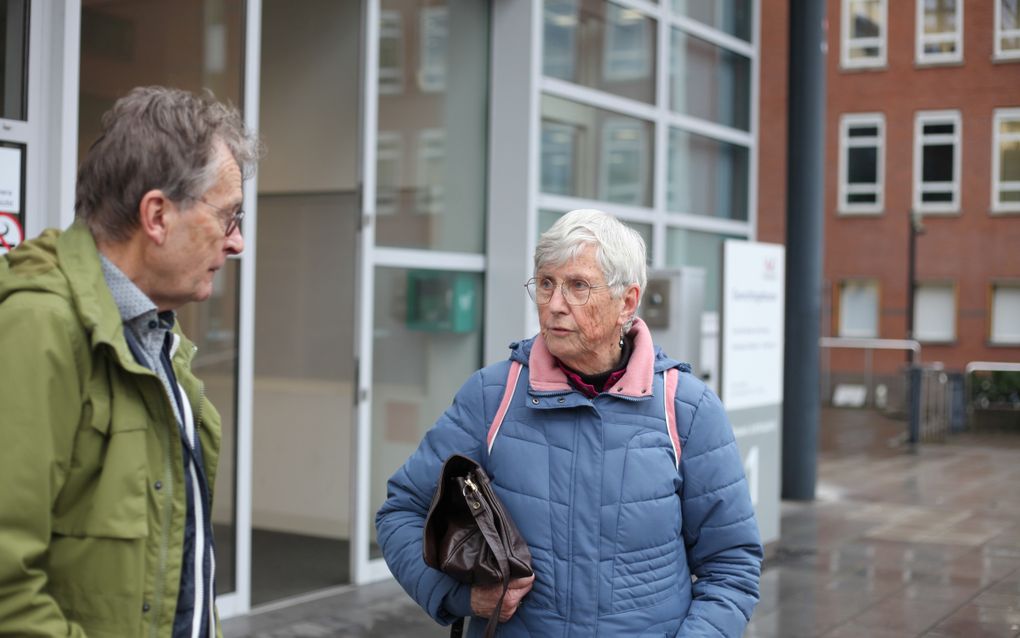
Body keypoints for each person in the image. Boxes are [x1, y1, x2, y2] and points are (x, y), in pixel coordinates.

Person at [377, 209, 762, 636]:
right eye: (546, 284)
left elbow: (731, 565)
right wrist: (461, 597)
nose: (555, 304)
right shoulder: (492, 395)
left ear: (627, 302)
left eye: (577, 286)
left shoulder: (687, 408)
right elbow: (401, 512)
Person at [0, 86, 261, 637]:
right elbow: (8, 589)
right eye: (229, 216)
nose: (237, 242)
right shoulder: (38, 329)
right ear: (158, 215)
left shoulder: (156, 336)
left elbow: (178, 569)